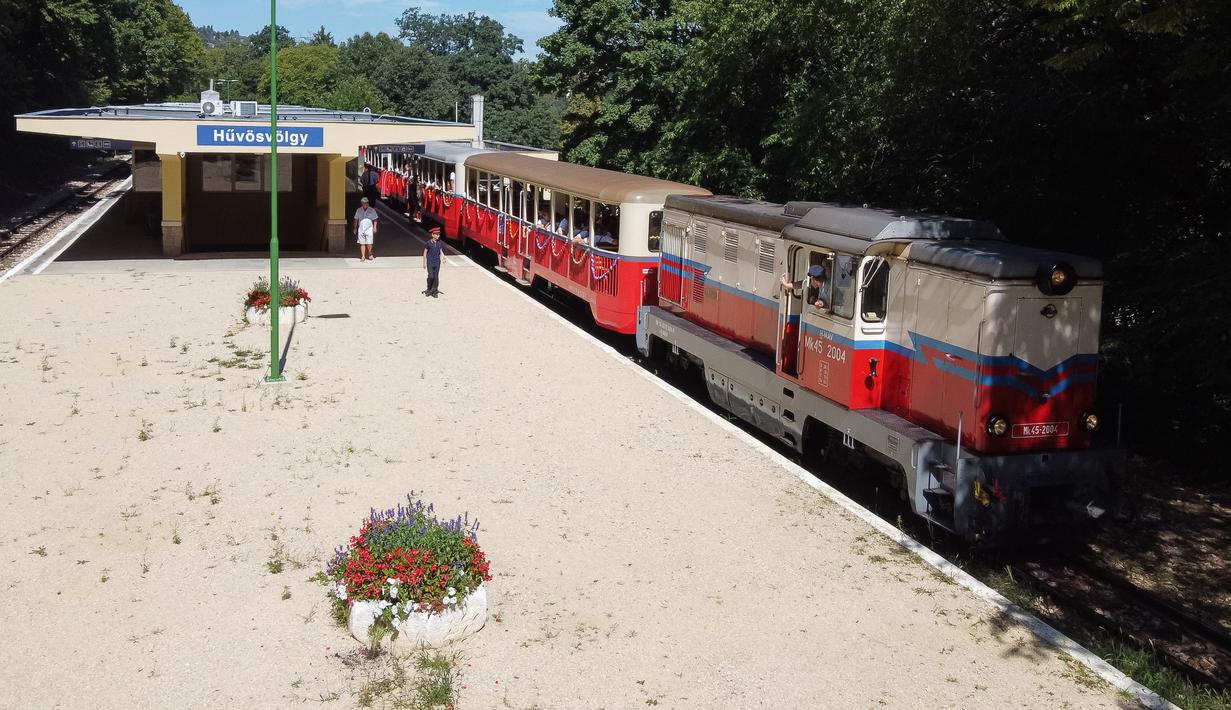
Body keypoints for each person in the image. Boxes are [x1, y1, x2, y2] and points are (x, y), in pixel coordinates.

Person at [354, 196, 379, 261]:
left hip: (369, 229)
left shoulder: (372, 210)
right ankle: (363, 256)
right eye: (364, 203)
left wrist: (375, 227)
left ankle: (369, 252)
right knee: (362, 243)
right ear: (362, 204)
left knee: (369, 243)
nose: (366, 204)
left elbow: (375, 219)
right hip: (361, 229)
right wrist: (355, 228)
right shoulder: (358, 210)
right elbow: (356, 219)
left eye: (367, 203)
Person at [423, 227, 445, 297]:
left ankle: (434, 291)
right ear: (432, 235)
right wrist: (424, 262)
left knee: (436, 277)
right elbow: (425, 252)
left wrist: (444, 257)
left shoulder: (440, 242)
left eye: (439, 234)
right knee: (431, 276)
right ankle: (429, 288)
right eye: (437, 234)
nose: (438, 236)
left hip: (437, 262)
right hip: (430, 262)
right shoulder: (428, 243)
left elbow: (441, 250)